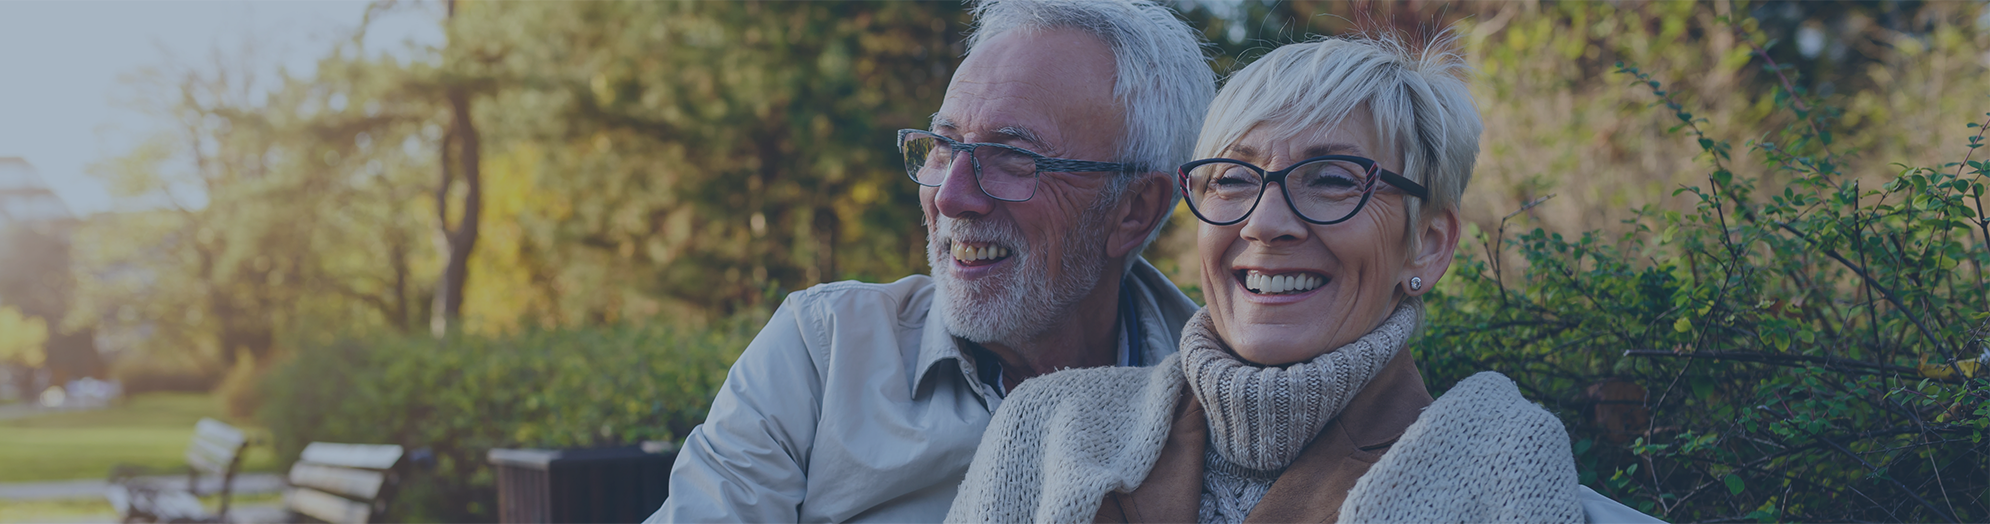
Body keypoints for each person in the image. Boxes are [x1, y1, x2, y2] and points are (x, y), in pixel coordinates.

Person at [945, 34, 1667, 523]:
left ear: (1430, 246)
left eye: (1329, 179)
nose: (1265, 221)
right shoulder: (1047, 427)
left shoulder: (1498, 460)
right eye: (1232, 179)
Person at [645, 1, 1216, 522]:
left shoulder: (1223, 400)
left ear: (1135, 210)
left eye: (1014, 158)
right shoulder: (822, 350)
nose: (949, 195)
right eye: (944, 146)